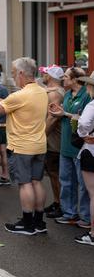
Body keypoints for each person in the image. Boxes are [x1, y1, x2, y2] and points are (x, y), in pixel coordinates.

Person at [0, 57, 49, 235]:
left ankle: (27, 222)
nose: (14, 77)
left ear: (23, 74)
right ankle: (39, 222)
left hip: (22, 146)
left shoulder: (21, 95)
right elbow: (9, 102)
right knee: (36, 182)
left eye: (15, 73)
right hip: (39, 144)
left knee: (25, 184)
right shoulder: (41, 91)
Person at [49, 67, 92, 227]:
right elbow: (66, 113)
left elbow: (87, 120)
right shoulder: (67, 94)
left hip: (80, 146)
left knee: (83, 185)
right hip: (66, 145)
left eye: (66, 77)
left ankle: (86, 217)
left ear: (75, 80)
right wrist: (59, 111)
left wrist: (64, 114)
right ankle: (70, 213)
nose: (63, 79)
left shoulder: (87, 96)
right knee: (66, 180)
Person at [41, 66, 66, 215]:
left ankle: (61, 205)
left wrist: (41, 135)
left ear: (50, 76)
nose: (42, 75)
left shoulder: (55, 94)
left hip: (54, 140)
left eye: (44, 73)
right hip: (51, 139)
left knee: (55, 173)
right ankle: (57, 202)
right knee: (52, 173)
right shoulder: (52, 92)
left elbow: (52, 118)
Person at [73, 75, 94, 245]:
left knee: (93, 194)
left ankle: (93, 233)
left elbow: (83, 125)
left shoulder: (92, 105)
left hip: (91, 151)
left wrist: (83, 134)